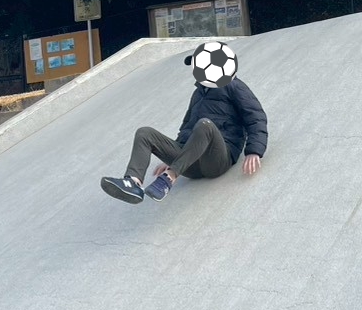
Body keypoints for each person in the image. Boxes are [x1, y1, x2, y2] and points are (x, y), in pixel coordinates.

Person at [101, 40, 268, 204]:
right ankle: (133, 182)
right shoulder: (198, 94)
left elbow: (256, 117)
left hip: (217, 160)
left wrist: (254, 151)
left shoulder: (234, 86)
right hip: (192, 166)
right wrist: (172, 156)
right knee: (144, 133)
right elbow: (186, 128)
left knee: (205, 125)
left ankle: (168, 179)